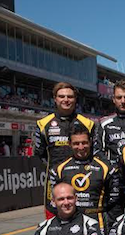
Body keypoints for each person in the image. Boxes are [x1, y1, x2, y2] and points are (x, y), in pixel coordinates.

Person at [35, 82, 95, 218]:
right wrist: (56, 171)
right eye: (62, 96)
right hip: (55, 183)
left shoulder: (88, 124)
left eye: (70, 97)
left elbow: (94, 153)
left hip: (82, 182)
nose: (66, 100)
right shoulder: (43, 124)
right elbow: (40, 154)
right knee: (54, 223)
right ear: (55, 99)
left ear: (75, 99)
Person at [49, 126, 121, 235]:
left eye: (84, 143)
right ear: (69, 144)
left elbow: (114, 200)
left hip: (98, 224)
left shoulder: (106, 168)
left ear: (90, 142)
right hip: (69, 224)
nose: (81, 147)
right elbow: (53, 201)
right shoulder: (58, 170)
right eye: (76, 143)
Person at [94, 80, 125, 163]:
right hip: (112, 169)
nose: (123, 101)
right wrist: (110, 167)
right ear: (113, 99)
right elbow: (97, 150)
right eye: (119, 97)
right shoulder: (105, 123)